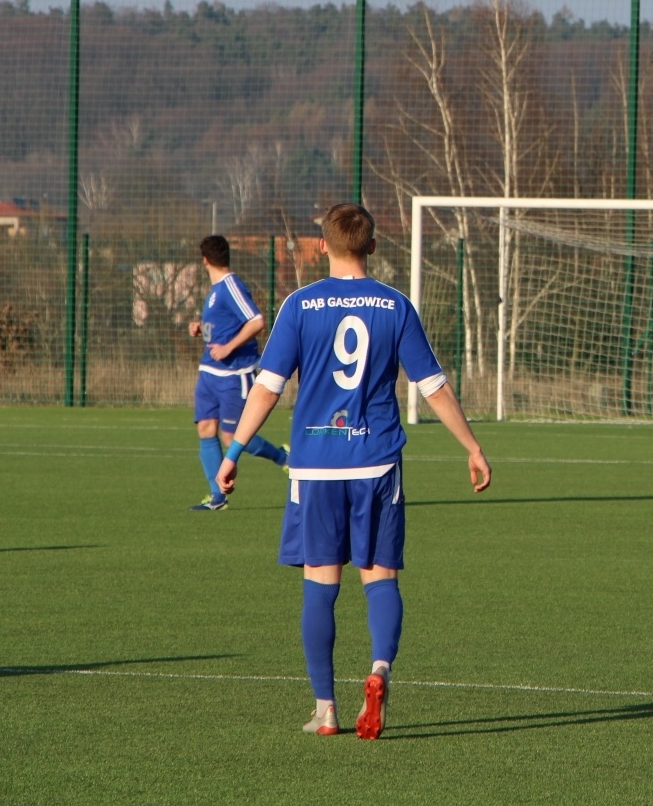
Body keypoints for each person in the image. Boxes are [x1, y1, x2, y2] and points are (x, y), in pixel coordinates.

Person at [217, 202, 491, 740]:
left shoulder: (299, 305)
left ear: (323, 246)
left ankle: (326, 709)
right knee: (380, 578)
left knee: (320, 585)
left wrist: (234, 452)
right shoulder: (395, 306)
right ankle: (379, 670)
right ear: (371, 246)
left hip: (316, 467)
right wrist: (472, 446)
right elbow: (432, 385)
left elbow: (268, 388)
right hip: (377, 463)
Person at [187, 234, 289, 511]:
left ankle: (282, 458)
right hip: (209, 371)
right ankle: (216, 497)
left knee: (232, 437)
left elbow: (257, 321)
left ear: (205, 260)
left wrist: (229, 347)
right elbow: (224, 325)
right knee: (206, 428)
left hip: (234, 374)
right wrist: (201, 328)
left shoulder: (231, 285)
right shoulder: (216, 289)